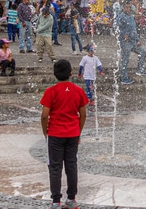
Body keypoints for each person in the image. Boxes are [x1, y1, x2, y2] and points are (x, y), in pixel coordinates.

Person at [40, 59, 88, 209]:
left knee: (55, 167)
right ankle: (72, 198)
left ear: (54, 74)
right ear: (70, 73)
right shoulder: (78, 90)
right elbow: (83, 114)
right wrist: (78, 132)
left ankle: (56, 201)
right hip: (72, 133)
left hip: (55, 133)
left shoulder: (51, 91)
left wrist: (45, 132)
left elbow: (44, 115)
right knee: (71, 165)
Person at [114, 2, 146, 83]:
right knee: (125, 59)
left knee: (142, 52)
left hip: (133, 41)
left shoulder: (131, 17)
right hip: (126, 42)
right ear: (123, 8)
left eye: (129, 7)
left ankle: (139, 70)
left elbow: (133, 30)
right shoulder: (121, 17)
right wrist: (123, 34)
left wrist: (138, 40)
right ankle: (124, 78)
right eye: (126, 7)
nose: (128, 9)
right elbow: (116, 28)